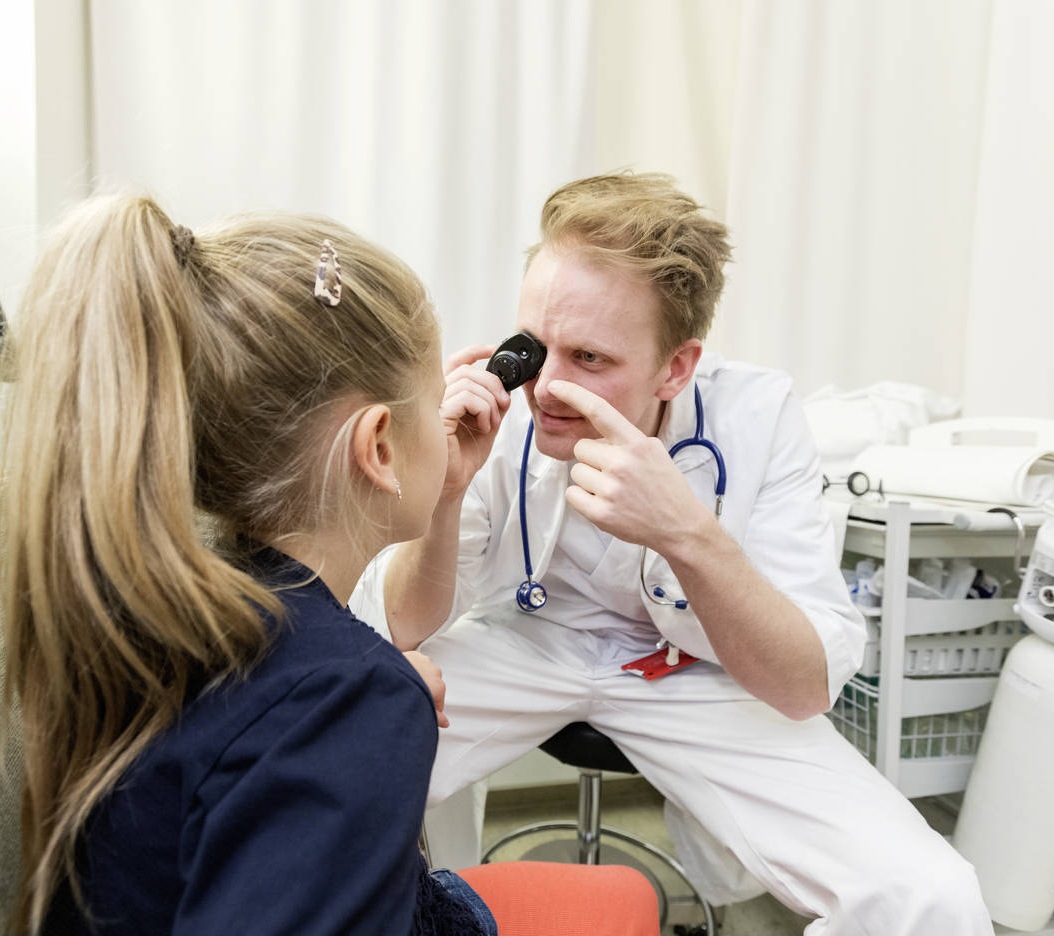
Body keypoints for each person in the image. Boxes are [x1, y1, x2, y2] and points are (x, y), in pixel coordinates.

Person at [0, 194, 657, 936]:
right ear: (378, 447)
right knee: (629, 903)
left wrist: (372, 682)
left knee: (625, 892)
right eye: (433, 399)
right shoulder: (350, 702)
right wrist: (371, 707)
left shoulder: (185, 596)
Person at [353, 171, 994, 935]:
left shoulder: (757, 417)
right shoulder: (495, 409)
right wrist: (445, 491)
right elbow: (402, 627)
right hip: (527, 641)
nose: (548, 386)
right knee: (330, 769)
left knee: (930, 897)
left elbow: (803, 686)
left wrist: (685, 533)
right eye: (537, 346)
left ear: (677, 366)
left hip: (691, 669)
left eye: (591, 358)